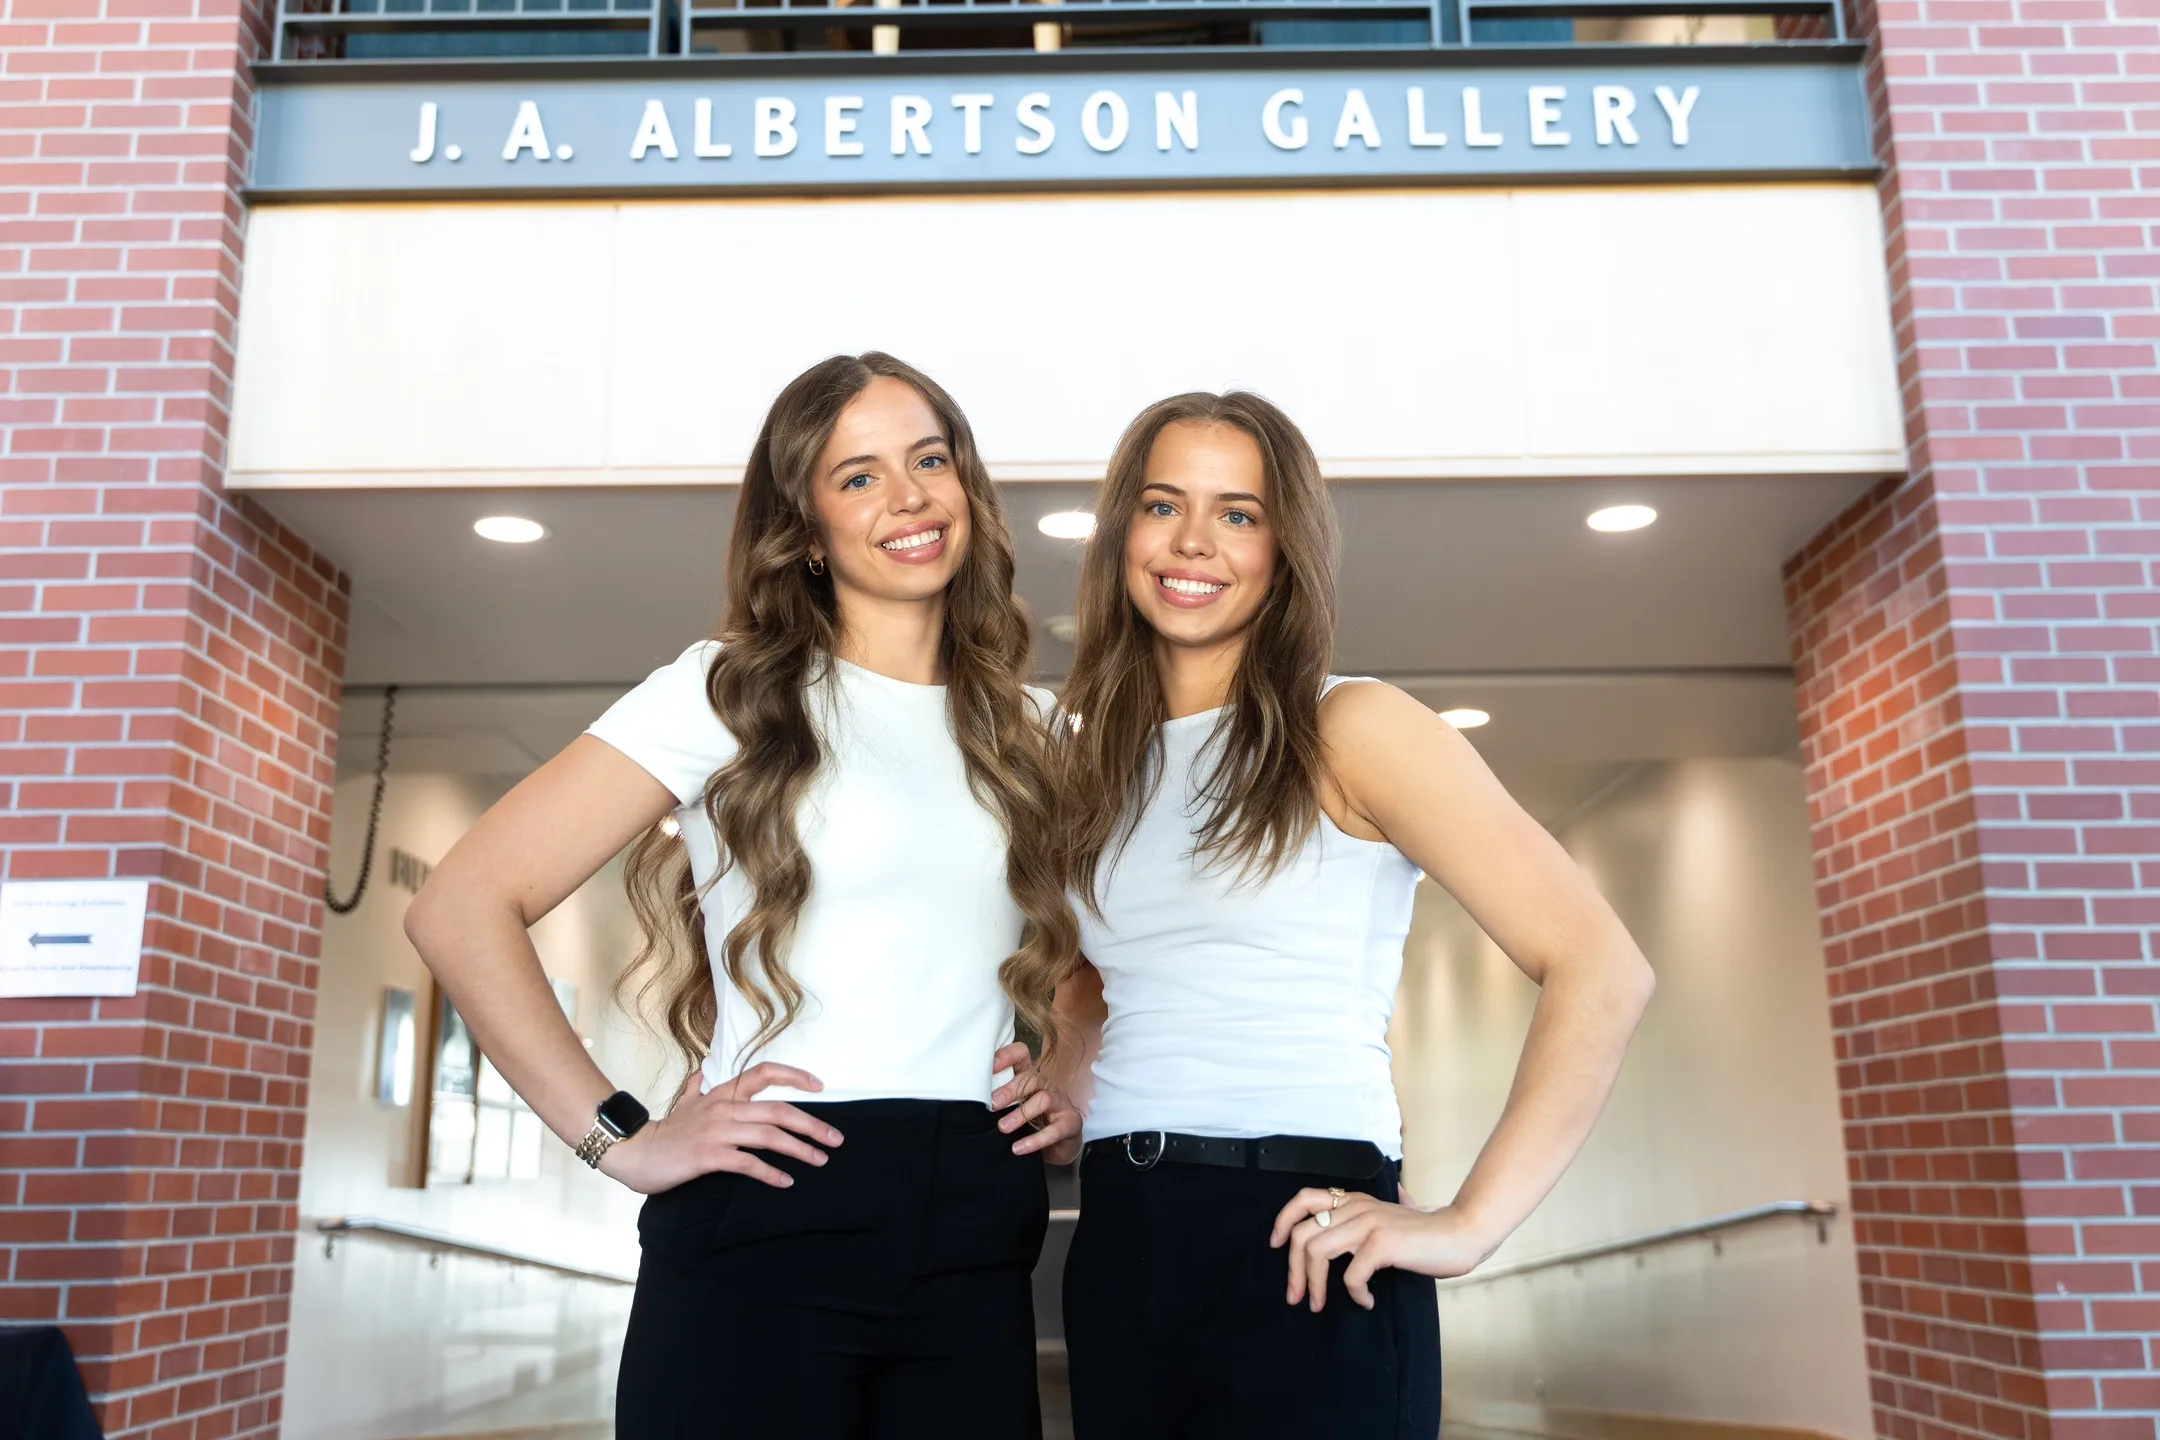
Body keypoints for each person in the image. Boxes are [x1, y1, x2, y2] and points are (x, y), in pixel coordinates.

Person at [404, 353, 1083, 1440]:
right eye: (857, 477)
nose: (907, 498)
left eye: (929, 460)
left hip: (975, 1226)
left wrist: (1074, 1071)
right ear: (805, 529)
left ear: (968, 488)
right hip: (770, 1208)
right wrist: (618, 1138)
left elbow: (1124, 942)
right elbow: (459, 905)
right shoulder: (724, 693)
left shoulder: (1037, 732)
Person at [1045, 391, 1656, 1439]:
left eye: (1239, 513)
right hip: (1122, 1239)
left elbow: (1602, 965)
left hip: (1304, 1236)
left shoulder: (1353, 726)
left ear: (1287, 548)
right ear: (1121, 534)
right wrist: (1067, 1058)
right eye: (1162, 505)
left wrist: (1468, 1226)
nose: (1194, 541)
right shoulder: (1089, 755)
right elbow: (1106, 966)